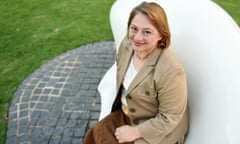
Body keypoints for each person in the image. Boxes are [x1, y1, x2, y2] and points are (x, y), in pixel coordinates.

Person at [82, 2, 188, 144]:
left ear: (161, 36)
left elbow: (170, 118)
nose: (137, 38)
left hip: (157, 129)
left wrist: (135, 132)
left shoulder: (171, 71)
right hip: (128, 113)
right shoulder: (126, 45)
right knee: (96, 133)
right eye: (134, 29)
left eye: (147, 32)